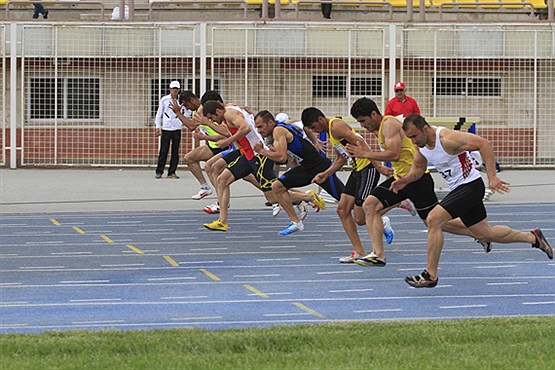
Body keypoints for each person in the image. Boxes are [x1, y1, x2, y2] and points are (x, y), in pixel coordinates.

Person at [394, 114, 553, 287]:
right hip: (460, 190)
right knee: (485, 233)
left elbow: (484, 144)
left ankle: (430, 275)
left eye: (414, 137)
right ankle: (533, 237)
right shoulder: (422, 145)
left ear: (425, 128)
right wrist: (405, 180)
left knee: (433, 219)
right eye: (410, 138)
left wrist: (492, 177)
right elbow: (418, 167)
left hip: (470, 186)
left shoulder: (447, 139)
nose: (413, 142)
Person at [345, 97, 485, 267]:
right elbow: (397, 156)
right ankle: (378, 254)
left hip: (417, 179)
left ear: (374, 114)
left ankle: (478, 233)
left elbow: (394, 154)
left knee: (433, 221)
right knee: (370, 205)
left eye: (363, 121)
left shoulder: (388, 125)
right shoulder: (378, 129)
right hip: (400, 180)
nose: (362, 126)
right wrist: (381, 167)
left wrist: (366, 154)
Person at [301, 107, 395, 263]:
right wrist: (326, 174)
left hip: (368, 168)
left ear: (320, 119)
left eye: (313, 127)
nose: (314, 131)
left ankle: (398, 202)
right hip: (357, 170)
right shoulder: (331, 133)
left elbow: (360, 142)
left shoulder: (336, 126)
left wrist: (378, 166)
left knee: (360, 218)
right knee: (342, 210)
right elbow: (341, 158)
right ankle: (359, 251)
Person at [253, 110, 339, 236]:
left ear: (270, 122)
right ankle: (296, 222)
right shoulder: (284, 126)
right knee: (277, 186)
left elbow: (281, 158)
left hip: (320, 168)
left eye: (260, 127)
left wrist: (261, 151)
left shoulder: (278, 130)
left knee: (344, 200)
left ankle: (372, 212)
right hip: (306, 168)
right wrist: (313, 141)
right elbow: (304, 126)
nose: (259, 131)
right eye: (257, 128)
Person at [202, 100, 277, 232]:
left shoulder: (229, 114)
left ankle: (306, 197)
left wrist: (227, 141)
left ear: (218, 112)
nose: (213, 121)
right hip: (247, 154)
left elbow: (245, 128)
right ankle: (222, 222)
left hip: (258, 155)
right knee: (222, 179)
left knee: (273, 195)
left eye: (212, 118)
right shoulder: (229, 109)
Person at [171, 90, 229, 200]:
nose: (187, 108)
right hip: (213, 145)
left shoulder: (203, 109)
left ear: (192, 100)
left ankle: (269, 192)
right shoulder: (198, 110)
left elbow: (192, 126)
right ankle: (206, 188)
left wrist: (178, 113)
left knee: (245, 175)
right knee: (190, 158)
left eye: (187, 105)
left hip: (223, 144)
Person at [154, 81, 183, 179]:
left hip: (177, 127)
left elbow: (186, 112)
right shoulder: (164, 100)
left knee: (175, 151)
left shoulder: (182, 100)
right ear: (170, 89)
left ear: (179, 89)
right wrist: (158, 126)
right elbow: (159, 114)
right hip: (166, 127)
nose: (174, 91)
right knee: (163, 150)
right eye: (173, 89)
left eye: (176, 89)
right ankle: (159, 171)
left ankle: (172, 172)